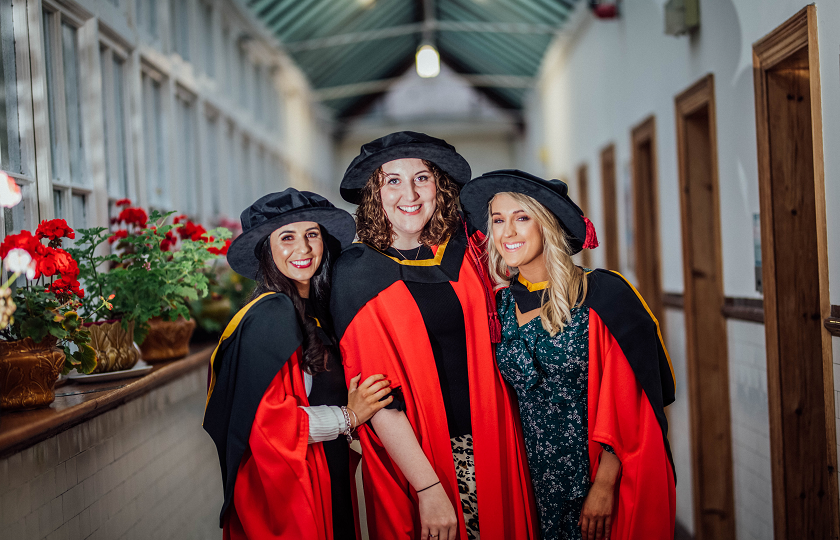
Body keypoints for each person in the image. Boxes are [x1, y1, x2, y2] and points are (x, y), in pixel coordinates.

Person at [331, 132, 538, 540]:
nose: (409, 193)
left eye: (421, 178)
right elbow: (377, 397)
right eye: (392, 180)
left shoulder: (467, 249)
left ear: (439, 186)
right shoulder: (356, 274)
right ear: (375, 192)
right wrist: (429, 488)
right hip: (426, 459)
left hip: (497, 441)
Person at [459, 170, 677, 540]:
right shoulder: (499, 304)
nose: (507, 232)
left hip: (591, 475)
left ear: (547, 224)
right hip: (527, 481)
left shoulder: (602, 295)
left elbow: (631, 403)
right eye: (498, 220)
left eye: (521, 217)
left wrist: (605, 486)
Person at [203, 188, 393, 540]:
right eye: (287, 237)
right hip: (292, 493)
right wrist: (349, 416)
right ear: (266, 249)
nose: (303, 249)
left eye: (312, 235)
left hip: (324, 472)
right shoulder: (271, 315)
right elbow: (270, 424)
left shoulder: (309, 312)